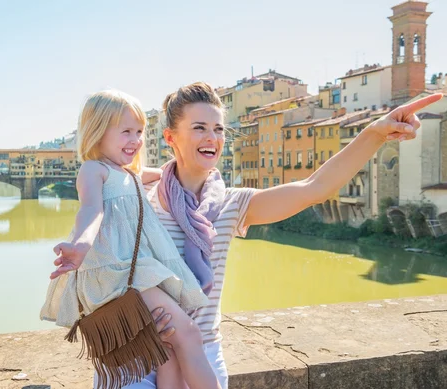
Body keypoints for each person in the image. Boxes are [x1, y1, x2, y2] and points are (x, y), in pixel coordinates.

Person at [123, 82, 443, 388]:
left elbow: (314, 189)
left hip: (202, 357)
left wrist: (375, 133)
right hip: (137, 358)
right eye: (199, 127)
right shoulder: (136, 196)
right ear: (170, 137)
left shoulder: (231, 205)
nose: (212, 137)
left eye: (219, 128)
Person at [40, 89, 222, 389]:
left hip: (133, 272)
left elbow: (169, 172)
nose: (136, 141)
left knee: (169, 351)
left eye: (139, 132)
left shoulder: (128, 173)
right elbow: (91, 210)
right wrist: (81, 246)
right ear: (98, 131)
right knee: (188, 333)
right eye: (126, 132)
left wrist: (204, 167)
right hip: (119, 273)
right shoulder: (93, 170)